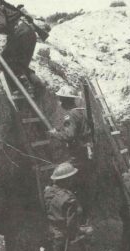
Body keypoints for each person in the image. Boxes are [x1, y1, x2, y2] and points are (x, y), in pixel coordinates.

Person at [48, 86, 94, 230]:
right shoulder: (80, 112)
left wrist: (55, 133)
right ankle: (84, 220)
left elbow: (70, 135)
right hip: (85, 154)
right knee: (83, 187)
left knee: (70, 185)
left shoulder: (70, 115)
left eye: (61, 99)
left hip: (78, 155)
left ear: (65, 100)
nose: (60, 102)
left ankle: (75, 220)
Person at [44, 162, 85, 251]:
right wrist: (80, 232)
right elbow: (71, 226)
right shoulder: (69, 199)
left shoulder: (47, 191)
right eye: (71, 177)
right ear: (66, 180)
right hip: (62, 238)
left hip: (49, 234)